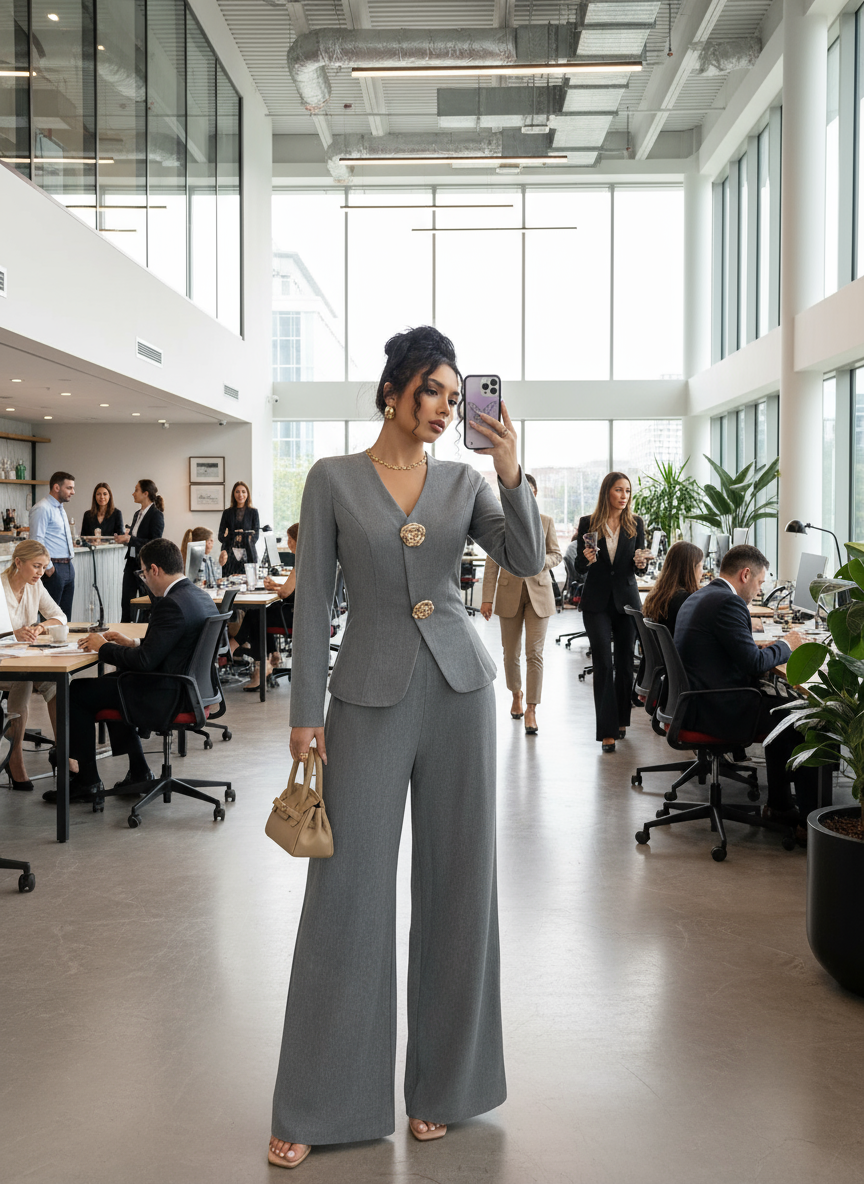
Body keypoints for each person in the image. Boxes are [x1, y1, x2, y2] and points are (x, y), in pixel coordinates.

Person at [268, 326, 544, 1170]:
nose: (446, 410)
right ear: (394, 389)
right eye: (433, 392)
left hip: (460, 690)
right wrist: (303, 711)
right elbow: (312, 602)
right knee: (345, 895)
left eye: (456, 399)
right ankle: (322, 1099)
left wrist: (511, 467)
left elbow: (527, 558)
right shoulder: (332, 480)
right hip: (365, 697)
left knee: (462, 887)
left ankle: (446, 1089)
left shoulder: (467, 480)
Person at [44, 538, 218, 804]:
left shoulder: (171, 603)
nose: (144, 579)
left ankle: (87, 781)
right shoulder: (198, 596)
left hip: (168, 694)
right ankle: (138, 771)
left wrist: (103, 647)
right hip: (191, 689)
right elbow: (172, 646)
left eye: (144, 573)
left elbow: (145, 663)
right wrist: (132, 642)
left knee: (77, 691)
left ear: (155, 570)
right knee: (111, 684)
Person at [673, 543, 817, 826]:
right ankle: (808, 822)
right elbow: (752, 663)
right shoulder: (730, 602)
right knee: (804, 719)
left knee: (784, 710)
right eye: (760, 582)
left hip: (697, 700)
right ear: (745, 574)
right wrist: (788, 644)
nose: (760, 591)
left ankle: (780, 806)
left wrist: (768, 647)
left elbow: (734, 652)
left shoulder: (701, 595)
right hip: (719, 707)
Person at [574, 472, 652, 753]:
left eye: (628, 491)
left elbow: (639, 566)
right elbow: (580, 569)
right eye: (619, 490)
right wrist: (585, 559)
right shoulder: (588, 523)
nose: (624, 496)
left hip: (627, 601)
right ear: (607, 492)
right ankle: (606, 731)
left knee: (623, 661)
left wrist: (641, 562)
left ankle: (621, 720)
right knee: (604, 664)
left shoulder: (636, 524)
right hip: (596, 601)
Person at [480, 473, 562, 734]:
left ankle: (531, 708)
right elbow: (492, 562)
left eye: (529, 489)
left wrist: (540, 563)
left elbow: (556, 555)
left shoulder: (545, 522)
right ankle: (516, 693)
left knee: (534, 654)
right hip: (508, 594)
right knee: (510, 652)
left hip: (539, 593)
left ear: (533, 493)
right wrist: (486, 598)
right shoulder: (502, 524)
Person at [0, 541, 67, 791]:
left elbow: (59, 616)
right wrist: (13, 635)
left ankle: (62, 753)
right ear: (18, 563)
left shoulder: (35, 586)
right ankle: (15, 755)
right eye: (36, 566)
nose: (41, 572)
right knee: (23, 679)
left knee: (58, 682)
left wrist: (41, 627)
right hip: (4, 664)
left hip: (24, 659)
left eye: (43, 566)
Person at [229, 522, 297, 691]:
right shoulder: (309, 559)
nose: (288, 543)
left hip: (294, 615)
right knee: (259, 613)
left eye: (290, 539)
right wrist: (275, 586)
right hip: (297, 611)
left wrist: (278, 589)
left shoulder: (302, 561)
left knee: (256, 615)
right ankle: (271, 655)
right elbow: (290, 590)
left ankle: (258, 664)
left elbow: (285, 593)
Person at [114, 479, 165, 622]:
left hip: (145, 566)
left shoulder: (156, 515)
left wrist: (130, 539)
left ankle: (141, 638)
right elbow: (136, 539)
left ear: (145, 493)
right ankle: (123, 636)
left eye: (136, 490)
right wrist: (125, 539)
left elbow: (154, 543)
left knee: (145, 604)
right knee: (126, 602)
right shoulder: (137, 514)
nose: (133, 493)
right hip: (131, 562)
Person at [29, 470, 76, 619]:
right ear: (56, 487)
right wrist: (48, 568)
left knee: (65, 618)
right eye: (69, 488)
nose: (73, 492)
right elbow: (36, 541)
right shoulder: (42, 508)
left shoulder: (60, 508)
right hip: (53, 568)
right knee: (50, 619)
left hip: (68, 566)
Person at [642, 540, 704, 635]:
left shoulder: (658, 595)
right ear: (690, 570)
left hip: (663, 649)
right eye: (700, 566)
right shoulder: (685, 601)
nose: (702, 572)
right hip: (678, 649)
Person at [217, 482, 260, 576]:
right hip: (229, 554)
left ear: (247, 494)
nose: (240, 495)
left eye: (243, 492)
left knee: (249, 581)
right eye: (237, 492)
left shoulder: (253, 512)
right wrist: (237, 536)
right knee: (229, 582)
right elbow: (220, 536)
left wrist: (233, 534)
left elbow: (256, 536)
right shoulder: (227, 513)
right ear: (233, 494)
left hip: (248, 554)